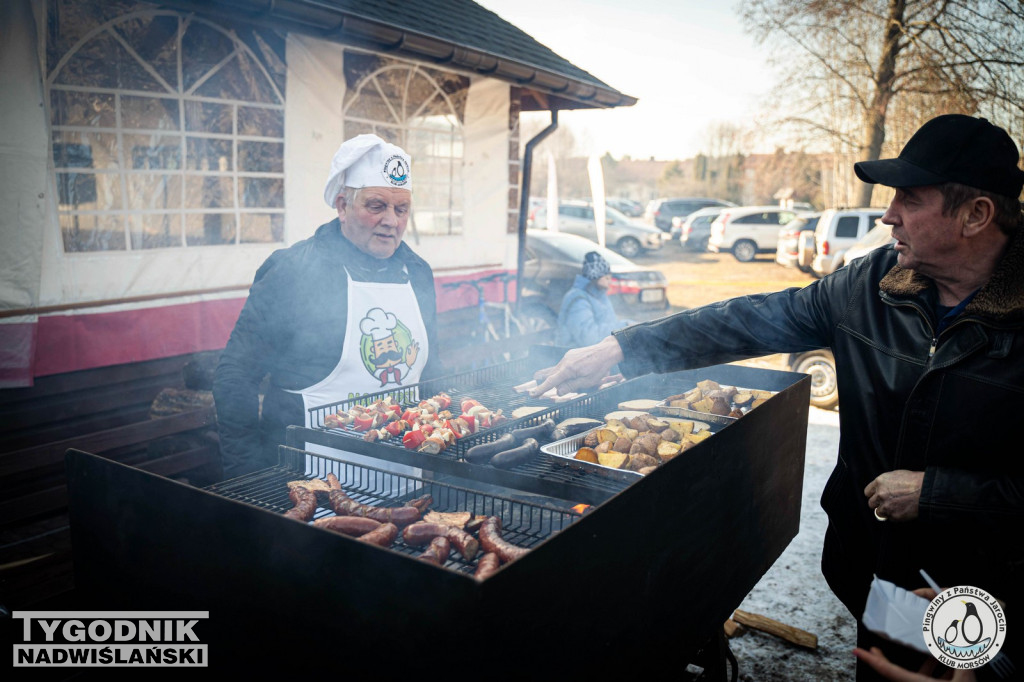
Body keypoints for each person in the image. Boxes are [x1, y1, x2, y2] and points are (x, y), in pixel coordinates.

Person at [530, 114, 1024, 679]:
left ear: (976, 215)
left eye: (909, 199)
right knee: (891, 668)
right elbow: (747, 320)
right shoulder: (871, 286)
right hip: (880, 571)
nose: (888, 215)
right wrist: (621, 348)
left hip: (991, 593)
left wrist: (939, 494)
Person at [213, 134, 443, 479]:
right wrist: (249, 477)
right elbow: (236, 375)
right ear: (341, 206)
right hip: (309, 484)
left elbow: (431, 371)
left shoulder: (418, 272)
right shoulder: (293, 270)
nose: (392, 221)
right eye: (376, 206)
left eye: (402, 208)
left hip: (406, 475)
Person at [555, 250, 626, 348]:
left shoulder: (600, 296)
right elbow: (588, 338)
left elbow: (609, 322)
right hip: (574, 356)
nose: (610, 282)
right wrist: (622, 328)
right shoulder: (578, 299)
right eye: (607, 278)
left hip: (597, 353)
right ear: (595, 277)